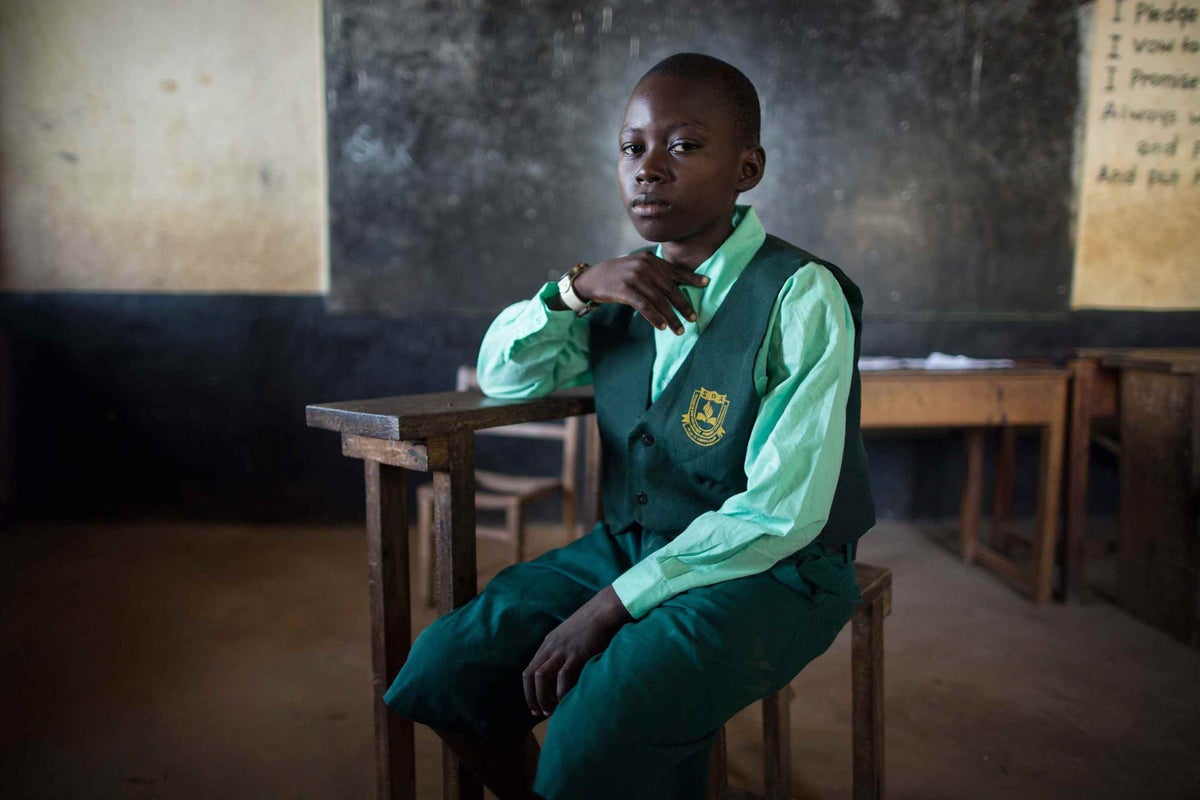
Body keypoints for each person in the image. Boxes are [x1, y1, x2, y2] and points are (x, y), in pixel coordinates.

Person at [385, 52, 876, 800]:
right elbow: (504, 377)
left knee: (597, 722)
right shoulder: (616, 290)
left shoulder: (800, 294)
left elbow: (785, 511)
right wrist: (573, 291)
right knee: (444, 669)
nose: (648, 169)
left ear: (747, 168)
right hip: (636, 542)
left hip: (778, 569)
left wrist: (613, 605)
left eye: (682, 145)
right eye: (632, 147)